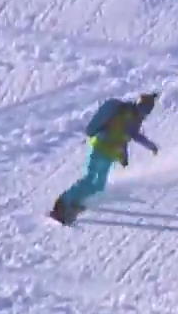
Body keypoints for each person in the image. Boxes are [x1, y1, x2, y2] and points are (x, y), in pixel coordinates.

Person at [49, 92, 159, 225]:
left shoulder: (133, 119)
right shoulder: (127, 114)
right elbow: (127, 134)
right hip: (100, 148)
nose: (145, 114)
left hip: (109, 153)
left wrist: (124, 155)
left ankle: (74, 202)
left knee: (99, 185)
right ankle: (62, 204)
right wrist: (148, 146)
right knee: (89, 178)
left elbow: (124, 137)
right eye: (146, 110)